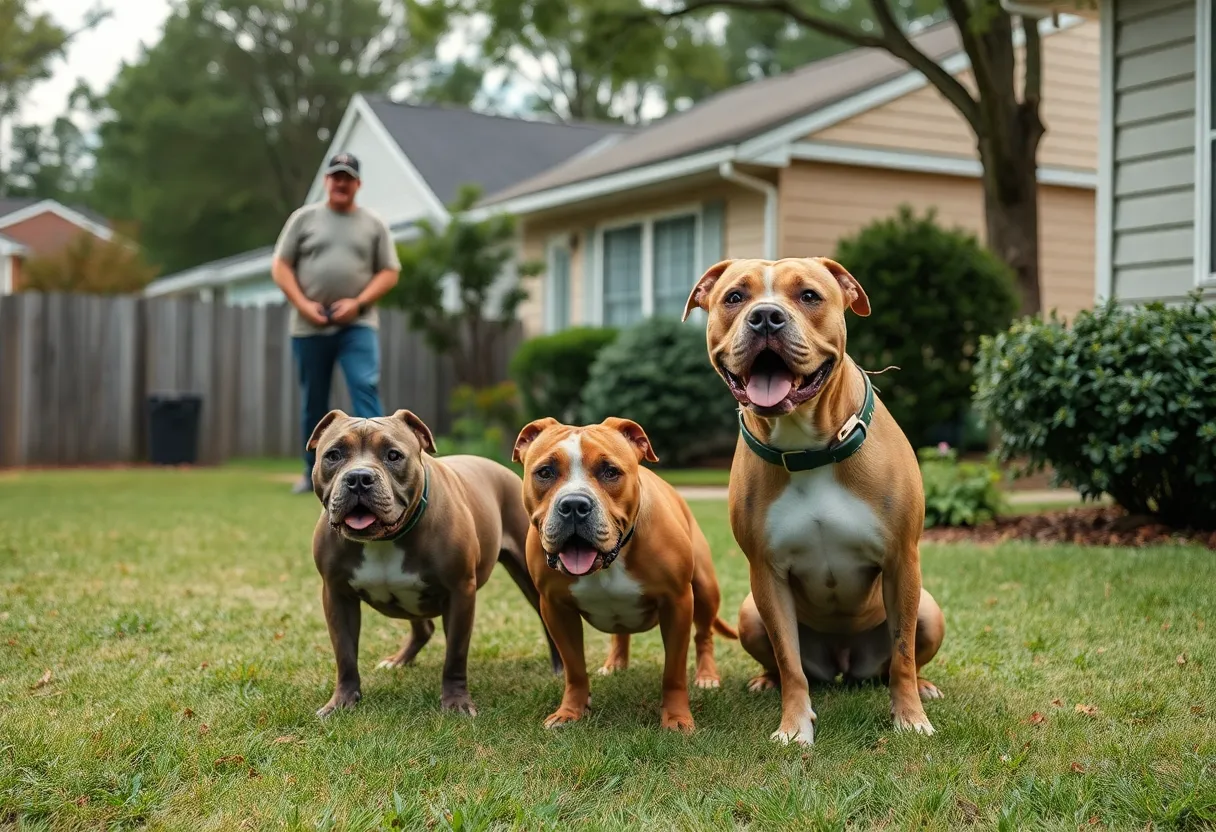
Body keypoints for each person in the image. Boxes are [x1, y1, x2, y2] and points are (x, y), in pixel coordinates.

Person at [271, 152, 401, 493]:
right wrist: (304, 305)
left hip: (357, 325)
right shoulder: (303, 219)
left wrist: (357, 304)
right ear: (327, 181)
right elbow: (281, 266)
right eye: (335, 176)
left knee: (365, 387)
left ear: (357, 184)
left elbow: (389, 272)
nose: (341, 183)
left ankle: (380, 468)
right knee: (314, 401)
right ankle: (311, 473)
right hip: (309, 326)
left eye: (348, 178)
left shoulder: (373, 225)